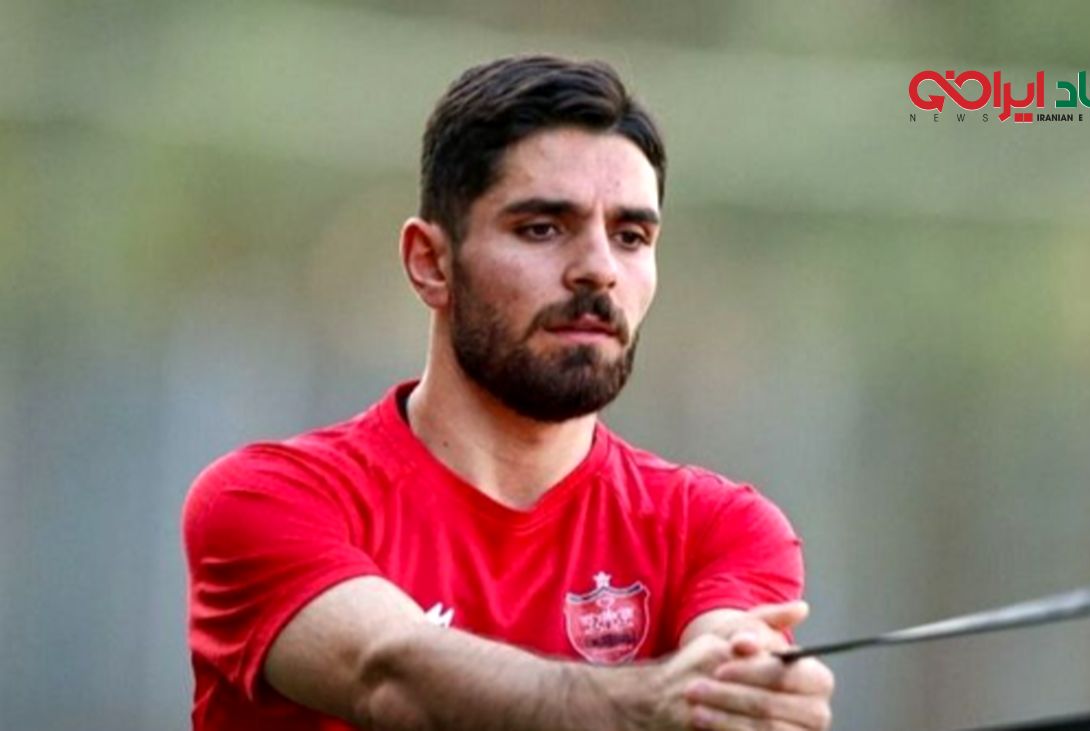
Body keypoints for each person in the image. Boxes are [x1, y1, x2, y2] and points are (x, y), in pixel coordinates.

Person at [183, 55, 834, 730]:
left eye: (630, 236)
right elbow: (391, 674)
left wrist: (748, 698)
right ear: (431, 263)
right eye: (542, 228)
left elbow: (728, 664)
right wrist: (652, 701)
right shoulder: (266, 499)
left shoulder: (719, 527)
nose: (599, 270)